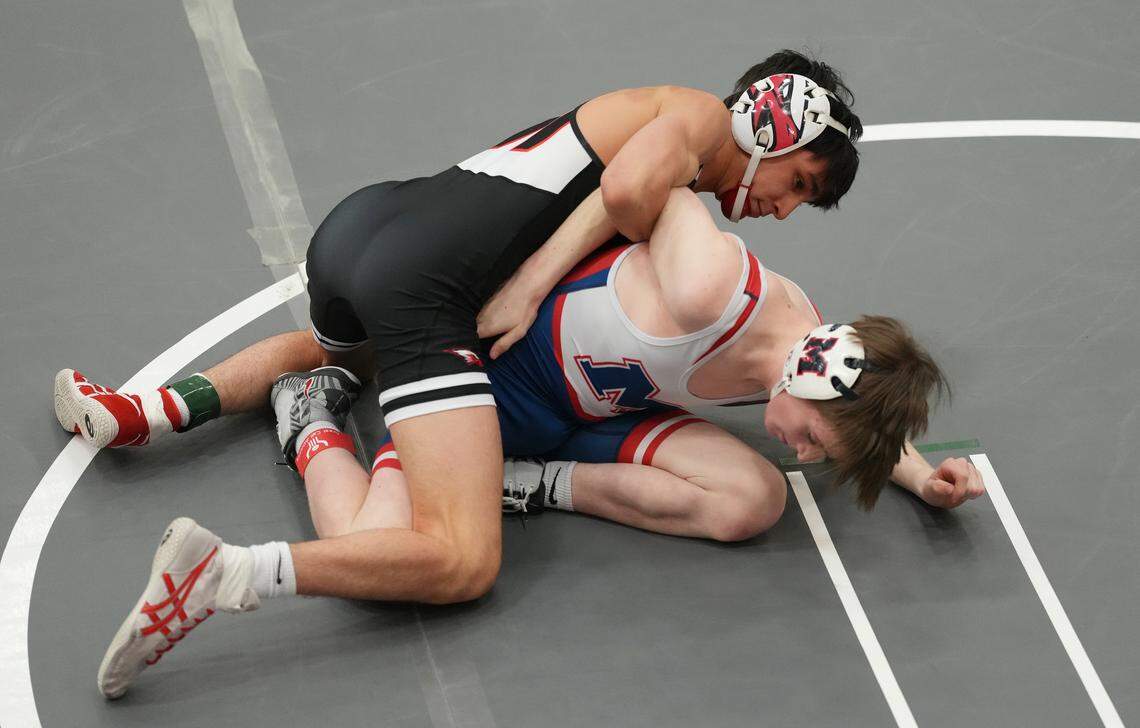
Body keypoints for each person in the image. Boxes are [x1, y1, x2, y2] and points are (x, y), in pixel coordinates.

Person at [54, 51, 867, 698]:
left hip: (369, 223)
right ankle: (238, 555)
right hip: (430, 291)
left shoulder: (659, 133)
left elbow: (618, 193)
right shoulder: (695, 121)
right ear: (773, 121)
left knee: (338, 359)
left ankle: (143, 412)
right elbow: (624, 190)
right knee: (458, 561)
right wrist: (534, 281)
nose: (785, 208)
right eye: (799, 182)